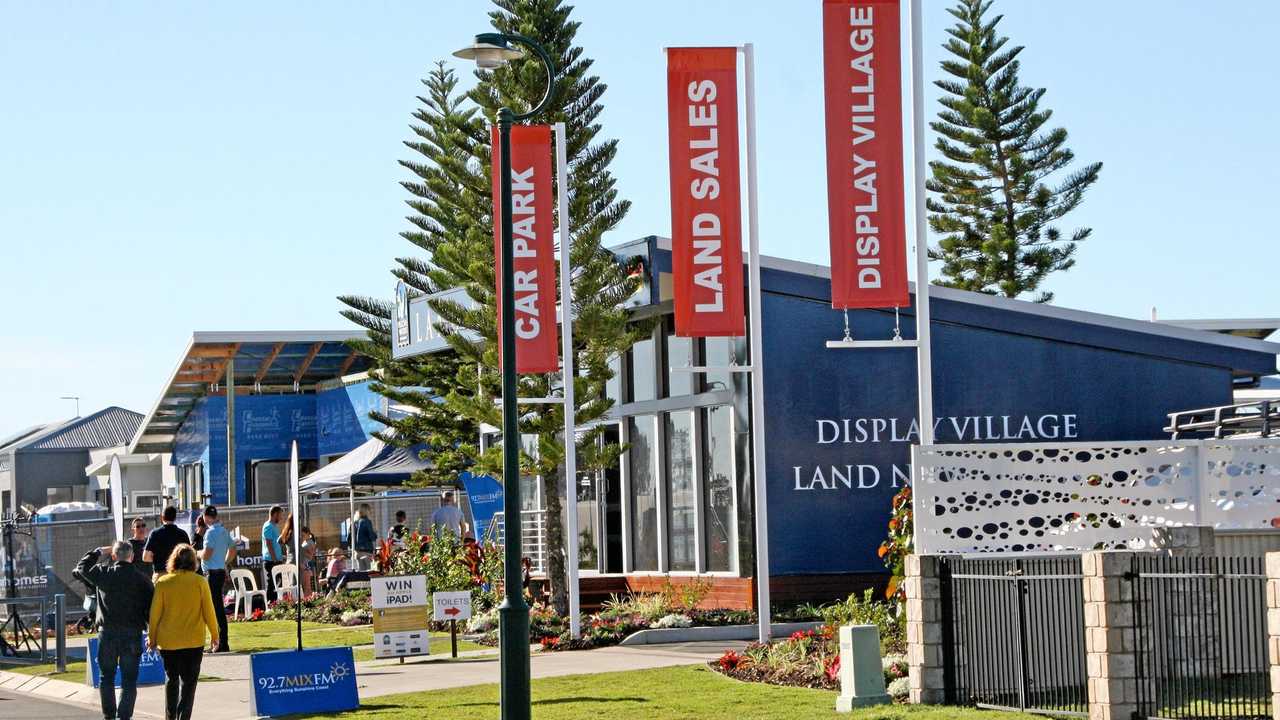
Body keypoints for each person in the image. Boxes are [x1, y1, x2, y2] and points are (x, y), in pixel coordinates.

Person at [73, 540, 153, 720]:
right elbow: (152, 607)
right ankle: (124, 717)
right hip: (132, 633)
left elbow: (82, 567)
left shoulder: (104, 573)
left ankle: (109, 716)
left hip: (107, 632)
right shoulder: (141, 579)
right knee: (129, 680)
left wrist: (99, 551)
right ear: (132, 557)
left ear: (114, 556)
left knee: (106, 677)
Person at [149, 544, 218, 720]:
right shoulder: (200, 582)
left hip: (168, 642)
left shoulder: (163, 582)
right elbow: (209, 611)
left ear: (173, 560)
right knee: (189, 682)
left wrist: (152, 638)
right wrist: (215, 636)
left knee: (171, 679)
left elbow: (155, 614)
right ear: (194, 562)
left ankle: (170, 716)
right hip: (193, 641)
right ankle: (184, 716)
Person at [198, 506, 234, 653]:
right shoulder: (224, 531)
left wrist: (196, 553)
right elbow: (233, 549)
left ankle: (219, 643)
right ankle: (222, 642)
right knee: (217, 608)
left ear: (206, 517)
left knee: (214, 609)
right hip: (219, 571)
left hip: (211, 574)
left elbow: (206, 554)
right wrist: (225, 562)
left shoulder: (210, 532)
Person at [143, 506, 190, 579]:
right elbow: (188, 556)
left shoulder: (155, 534)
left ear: (162, 517)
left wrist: (158, 559)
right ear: (175, 518)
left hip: (161, 575)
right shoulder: (182, 534)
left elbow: (145, 557)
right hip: (179, 575)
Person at [260, 506, 284, 601]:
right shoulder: (268, 526)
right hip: (271, 561)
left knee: (279, 583)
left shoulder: (274, 526)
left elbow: (275, 542)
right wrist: (274, 559)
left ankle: (277, 603)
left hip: (276, 560)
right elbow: (268, 543)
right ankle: (270, 605)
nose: (281, 518)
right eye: (280, 515)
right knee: (271, 584)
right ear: (275, 514)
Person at [352, 504, 377, 571]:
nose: (371, 512)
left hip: (357, 552)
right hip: (367, 551)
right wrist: (375, 534)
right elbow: (372, 536)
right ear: (367, 511)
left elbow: (349, 537)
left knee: (361, 574)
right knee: (369, 573)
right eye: (369, 510)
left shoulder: (355, 522)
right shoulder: (367, 521)